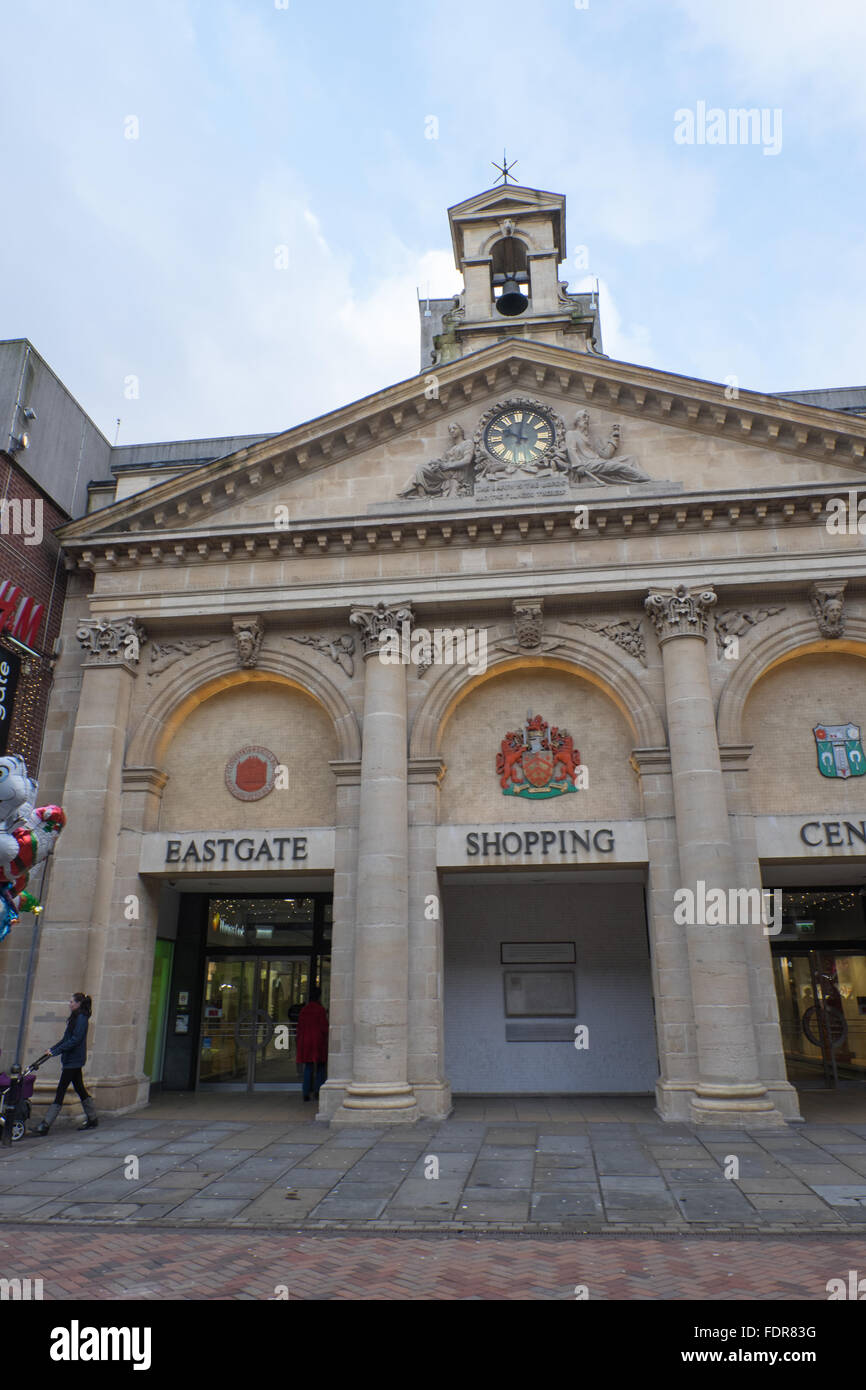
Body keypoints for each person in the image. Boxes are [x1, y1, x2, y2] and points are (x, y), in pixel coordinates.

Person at [32, 992, 97, 1134]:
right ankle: (93, 1119)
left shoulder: (81, 1018)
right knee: (80, 1088)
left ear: (78, 1004)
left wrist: (57, 1051)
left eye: (71, 1002)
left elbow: (75, 1040)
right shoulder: (76, 1018)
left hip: (74, 1060)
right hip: (71, 1059)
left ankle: (45, 1124)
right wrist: (52, 1049)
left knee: (61, 1089)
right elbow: (66, 1038)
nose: (69, 1004)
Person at [295, 986, 328, 1102]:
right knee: (320, 1067)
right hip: (318, 1041)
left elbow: (299, 1028)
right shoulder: (320, 1010)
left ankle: (306, 1092)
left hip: (306, 1041)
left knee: (308, 1067)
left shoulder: (304, 1010)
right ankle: (318, 1090)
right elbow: (324, 1027)